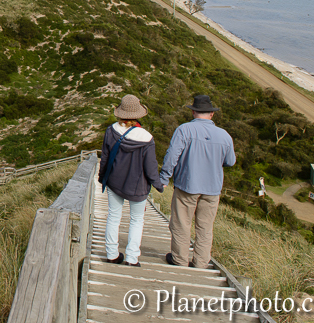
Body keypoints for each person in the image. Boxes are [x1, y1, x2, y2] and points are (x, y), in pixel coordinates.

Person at [159, 94, 236, 268]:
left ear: (193, 112)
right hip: (212, 189)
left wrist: (164, 177)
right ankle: (201, 262)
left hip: (187, 185)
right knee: (205, 227)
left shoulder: (184, 130)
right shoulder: (224, 135)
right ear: (212, 114)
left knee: (181, 224)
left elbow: (172, 156)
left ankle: (180, 259)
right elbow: (230, 161)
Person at [98, 94, 164, 267]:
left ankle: (112, 254)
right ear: (138, 115)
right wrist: (158, 184)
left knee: (113, 216)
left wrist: (101, 177)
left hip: (114, 181)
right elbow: (150, 167)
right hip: (138, 186)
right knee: (136, 220)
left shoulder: (111, 131)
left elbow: (104, 157)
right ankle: (132, 258)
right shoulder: (147, 138)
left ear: (120, 113)